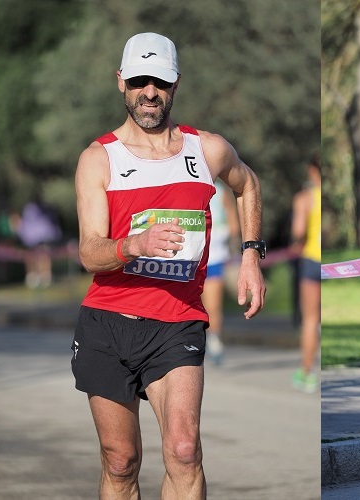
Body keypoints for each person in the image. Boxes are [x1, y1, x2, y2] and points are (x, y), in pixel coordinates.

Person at [72, 32, 266, 499]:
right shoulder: (99, 159)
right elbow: (89, 252)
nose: (149, 91)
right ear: (121, 82)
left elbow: (249, 185)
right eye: (139, 80)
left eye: (159, 80)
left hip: (176, 321)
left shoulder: (208, 150)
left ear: (175, 84)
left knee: (183, 450)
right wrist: (135, 243)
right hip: (108, 321)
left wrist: (251, 255)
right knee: (121, 462)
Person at [290, 152, 321, 393]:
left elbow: (299, 231)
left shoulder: (305, 199)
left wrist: (295, 244)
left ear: (312, 170)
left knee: (310, 319)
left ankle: (308, 372)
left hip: (311, 261)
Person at [202, 179, 239, 365]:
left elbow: (233, 224)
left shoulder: (221, 191)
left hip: (210, 257)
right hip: (209, 256)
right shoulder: (222, 191)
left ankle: (213, 341)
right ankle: (213, 340)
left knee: (210, 306)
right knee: (212, 306)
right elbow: (233, 226)